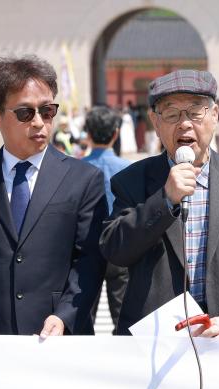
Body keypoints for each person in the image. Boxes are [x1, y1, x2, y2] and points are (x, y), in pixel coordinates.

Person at [0, 55, 108, 336]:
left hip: (58, 338)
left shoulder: (84, 180)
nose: (39, 122)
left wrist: (65, 316)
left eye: (48, 110)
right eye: (26, 113)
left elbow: (90, 260)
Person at [100, 69, 219, 337]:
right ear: (155, 122)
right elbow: (116, 251)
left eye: (195, 112)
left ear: (214, 116)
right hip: (155, 342)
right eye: (172, 114)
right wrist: (164, 200)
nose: (185, 124)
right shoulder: (131, 181)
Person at [82, 106, 131, 333]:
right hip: (120, 247)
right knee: (123, 314)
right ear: (116, 133)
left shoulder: (75, 169)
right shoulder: (129, 169)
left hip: (84, 248)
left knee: (82, 314)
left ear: (88, 135)